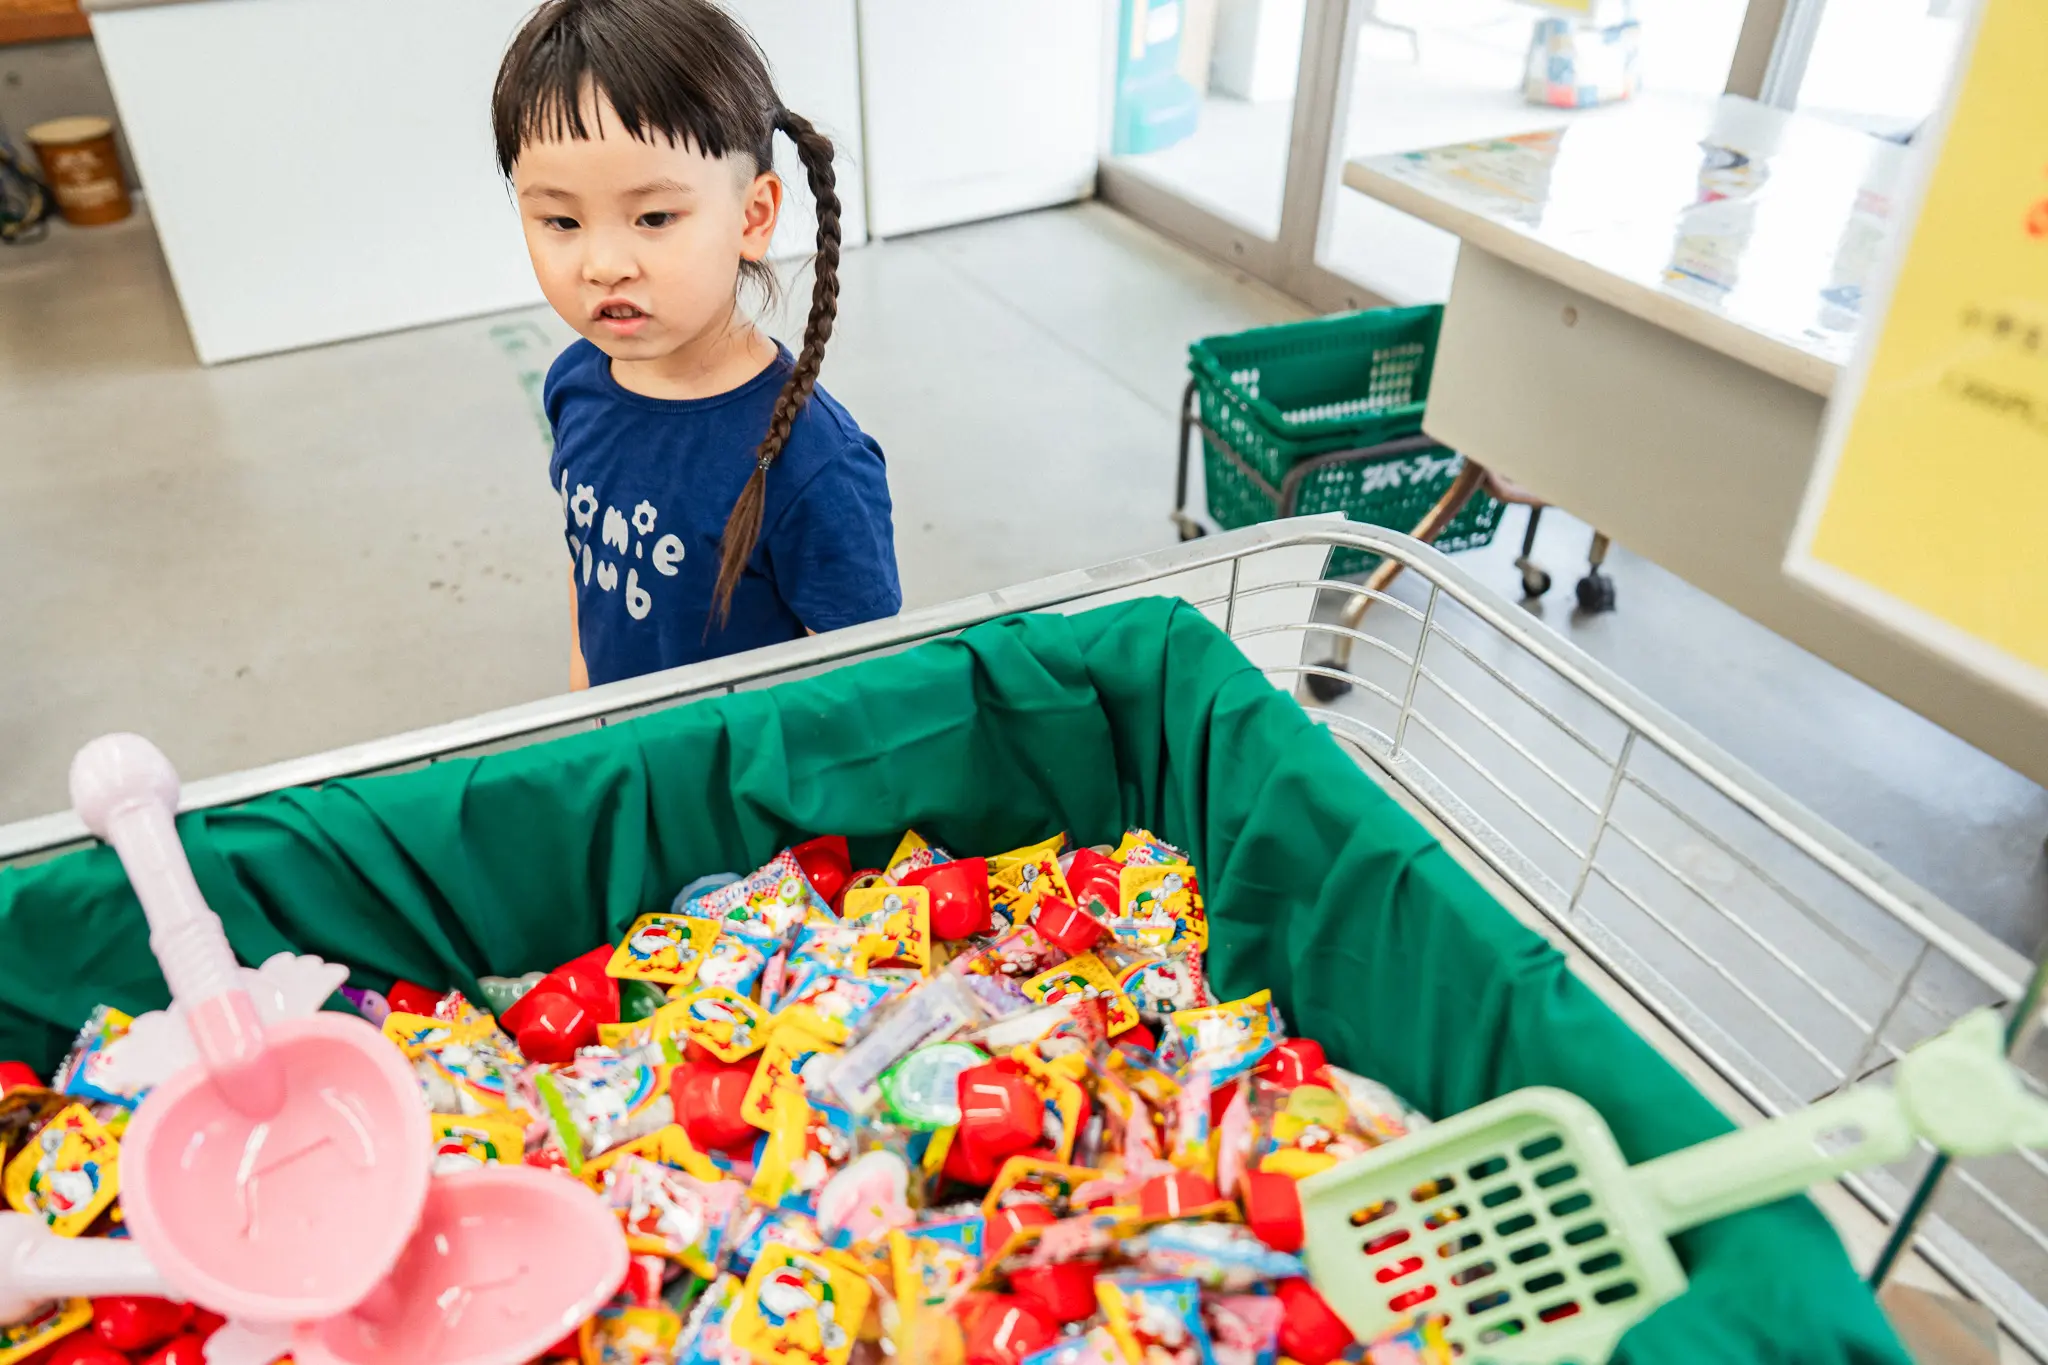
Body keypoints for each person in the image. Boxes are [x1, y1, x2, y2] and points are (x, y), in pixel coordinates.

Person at [493, 0, 900, 689]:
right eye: (561, 220)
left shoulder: (814, 463)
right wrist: (584, 708)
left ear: (753, 215)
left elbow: (865, 685)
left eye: (654, 216)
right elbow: (587, 564)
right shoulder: (575, 384)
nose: (603, 263)